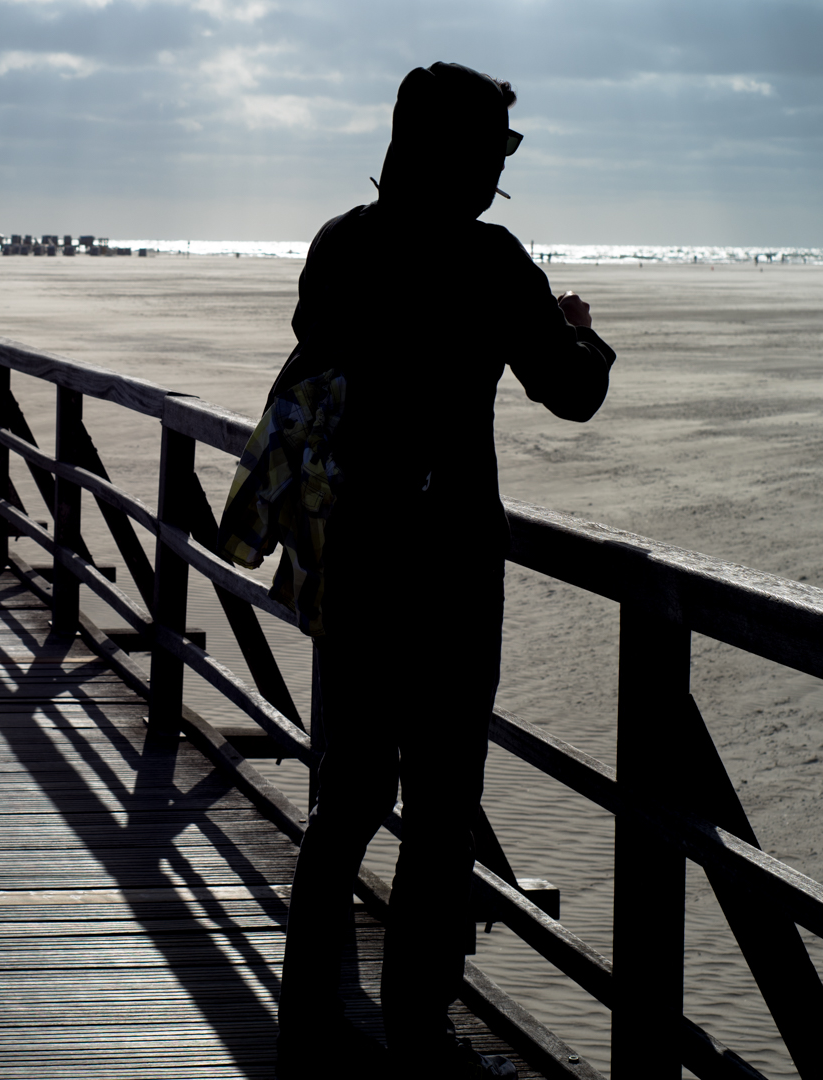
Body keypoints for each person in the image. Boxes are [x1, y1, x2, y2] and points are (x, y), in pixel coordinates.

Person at [265, 62, 616, 1079]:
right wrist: (585, 333)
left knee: (352, 795)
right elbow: (570, 391)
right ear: (460, 151)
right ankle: (417, 1032)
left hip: (357, 555)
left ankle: (309, 1017)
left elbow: (314, 354)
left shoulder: (342, 245)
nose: (504, 169)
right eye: (499, 149)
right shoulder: (489, 260)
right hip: (452, 566)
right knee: (441, 805)